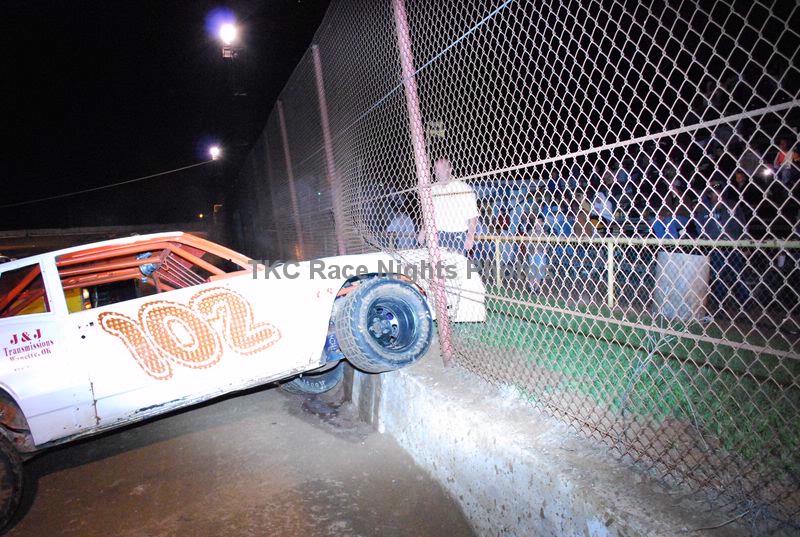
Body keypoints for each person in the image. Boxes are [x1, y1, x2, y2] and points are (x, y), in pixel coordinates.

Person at [419, 158, 479, 254]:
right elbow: (427, 212)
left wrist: (470, 236)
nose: (438, 172)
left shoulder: (463, 188)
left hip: (457, 235)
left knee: (454, 266)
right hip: (436, 234)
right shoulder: (432, 189)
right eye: (436, 169)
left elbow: (473, 216)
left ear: (450, 169)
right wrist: (423, 230)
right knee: (435, 266)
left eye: (442, 169)